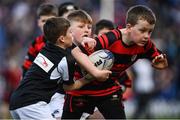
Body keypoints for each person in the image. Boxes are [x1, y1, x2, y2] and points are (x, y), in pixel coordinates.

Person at [62, 5, 168, 119]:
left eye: (150, 31)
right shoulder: (111, 38)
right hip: (81, 91)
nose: (146, 36)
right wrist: (96, 72)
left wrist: (160, 64)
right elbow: (76, 52)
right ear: (128, 27)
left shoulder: (147, 46)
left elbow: (162, 63)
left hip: (108, 91)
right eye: (142, 30)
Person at [9, 17, 111, 119]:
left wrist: (85, 41)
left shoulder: (48, 46)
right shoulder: (66, 60)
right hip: (31, 104)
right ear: (62, 39)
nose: (72, 36)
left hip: (16, 101)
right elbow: (68, 87)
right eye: (70, 33)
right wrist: (89, 77)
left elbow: (72, 49)